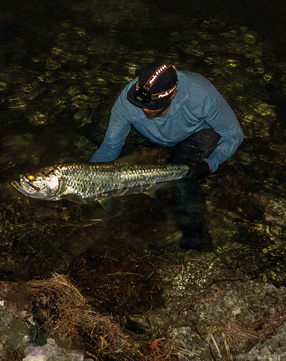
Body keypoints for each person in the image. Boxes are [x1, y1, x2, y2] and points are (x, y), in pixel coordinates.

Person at [90, 62, 244, 250]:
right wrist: (89, 178)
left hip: (196, 133)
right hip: (151, 134)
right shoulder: (130, 99)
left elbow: (234, 134)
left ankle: (196, 236)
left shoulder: (202, 94)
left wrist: (210, 164)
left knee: (182, 173)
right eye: (141, 104)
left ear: (173, 94)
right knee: (96, 129)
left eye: (152, 106)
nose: (144, 110)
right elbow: (110, 146)